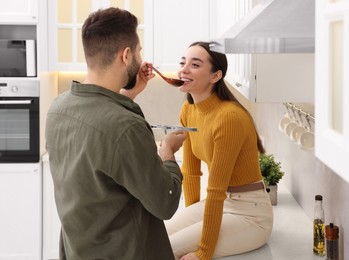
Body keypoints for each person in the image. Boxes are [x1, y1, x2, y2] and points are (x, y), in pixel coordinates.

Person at [45, 7, 186, 260]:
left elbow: (100, 159)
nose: (141, 59)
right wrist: (168, 154)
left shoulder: (58, 108)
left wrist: (129, 94)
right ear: (126, 55)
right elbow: (165, 203)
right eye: (139, 51)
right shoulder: (126, 127)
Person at [165, 42, 274, 260]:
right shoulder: (189, 109)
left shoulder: (229, 117)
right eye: (183, 62)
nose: (184, 69)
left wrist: (203, 252)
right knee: (154, 237)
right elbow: (191, 171)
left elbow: (216, 190)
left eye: (195, 65)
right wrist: (192, 217)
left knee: (162, 250)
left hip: (250, 214)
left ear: (215, 76)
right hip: (222, 204)